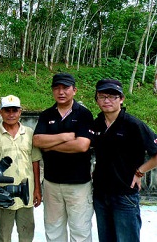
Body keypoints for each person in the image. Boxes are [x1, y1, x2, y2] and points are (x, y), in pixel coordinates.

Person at [91, 79, 157, 242]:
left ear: (121, 99)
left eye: (113, 96)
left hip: (124, 194)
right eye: (102, 96)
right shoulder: (97, 124)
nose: (107, 100)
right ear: (97, 99)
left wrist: (140, 172)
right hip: (101, 195)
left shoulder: (133, 124)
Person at [33, 73, 94, 242]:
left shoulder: (83, 114)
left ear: (74, 90)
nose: (61, 92)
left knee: (80, 231)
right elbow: (37, 140)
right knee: (53, 231)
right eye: (56, 88)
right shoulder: (47, 115)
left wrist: (49, 144)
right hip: (52, 183)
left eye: (65, 88)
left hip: (78, 185)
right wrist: (65, 137)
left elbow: (82, 145)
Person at [0, 95, 42, 242]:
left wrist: (37, 189)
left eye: (14, 110)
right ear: (0, 112)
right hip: (3, 194)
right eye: (7, 110)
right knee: (4, 236)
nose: (11, 114)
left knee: (27, 233)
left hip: (26, 193)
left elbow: (35, 162)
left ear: (20, 112)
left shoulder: (29, 133)